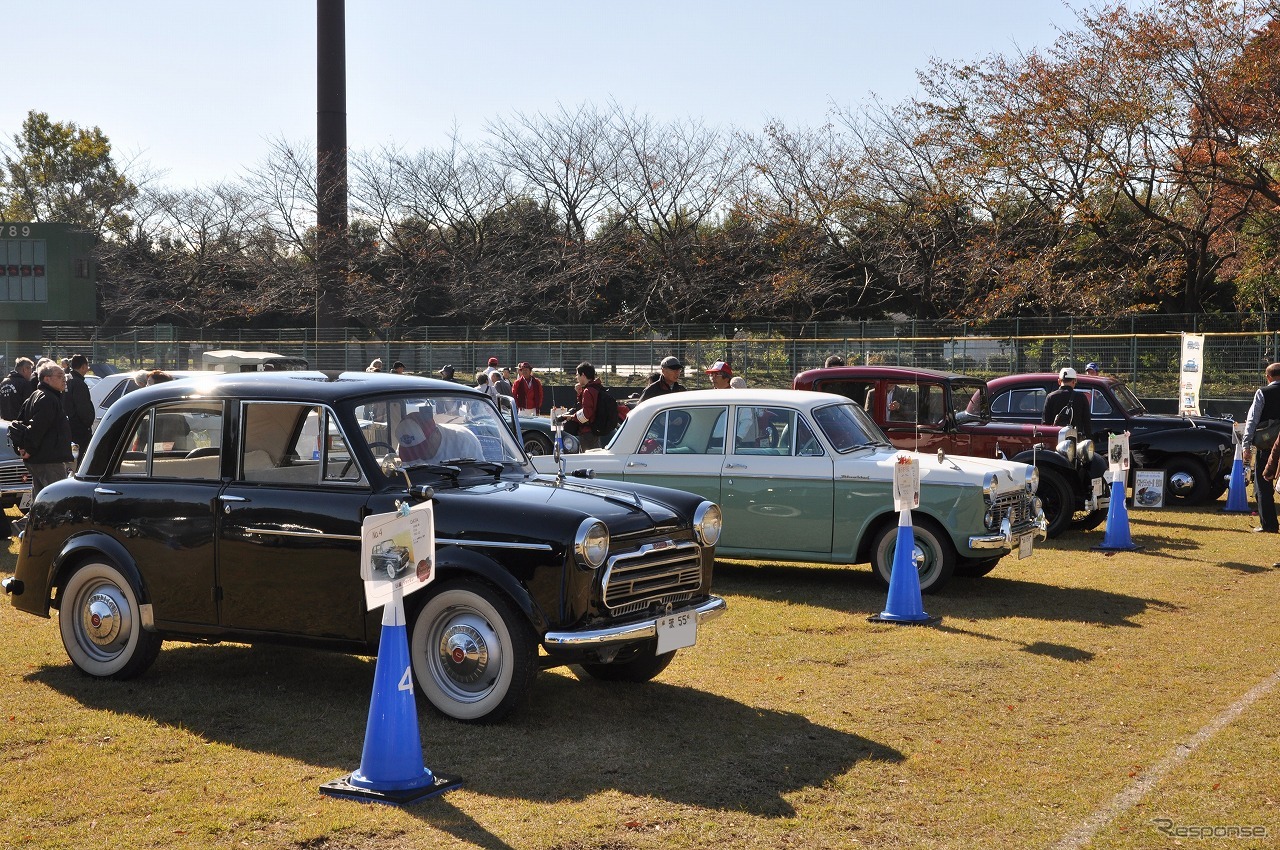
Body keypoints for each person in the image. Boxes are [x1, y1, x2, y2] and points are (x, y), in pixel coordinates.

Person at [11, 362, 74, 536]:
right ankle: (56, 534)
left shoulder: (37, 395)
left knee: (41, 500)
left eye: (64, 376)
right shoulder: (47, 398)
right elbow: (36, 427)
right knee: (58, 499)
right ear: (46, 378)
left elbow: (20, 423)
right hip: (48, 459)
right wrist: (26, 448)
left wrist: (23, 448)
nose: (64, 380)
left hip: (40, 458)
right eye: (60, 377)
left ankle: (30, 528)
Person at [1242, 362, 1280, 533]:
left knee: (1263, 486)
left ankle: (1269, 524)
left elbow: (1252, 421)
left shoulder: (1263, 393)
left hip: (1268, 447)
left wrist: (1246, 445)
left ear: (1268, 377)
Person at [394, 407, 483, 464]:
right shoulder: (406, 444)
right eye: (413, 451)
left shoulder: (463, 441)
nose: (420, 455)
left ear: (435, 433)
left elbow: (480, 477)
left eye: (422, 448)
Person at [561, 362, 608, 450]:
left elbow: (586, 414)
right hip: (596, 430)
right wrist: (580, 393)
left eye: (577, 374)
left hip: (588, 432)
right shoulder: (596, 387)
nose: (576, 377)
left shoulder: (588, 391)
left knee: (588, 461)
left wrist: (571, 417)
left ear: (583, 375)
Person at [63, 354, 94, 471]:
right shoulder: (79, 383)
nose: (88, 368)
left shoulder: (67, 381)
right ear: (83, 366)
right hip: (80, 428)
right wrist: (88, 422)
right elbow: (83, 408)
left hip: (69, 425)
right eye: (87, 366)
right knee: (82, 460)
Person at [1041, 367, 1092, 435]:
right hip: (1075, 440)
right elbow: (1087, 423)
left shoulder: (1051, 397)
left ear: (1059, 381)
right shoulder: (1081, 397)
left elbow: (1045, 423)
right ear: (1074, 381)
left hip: (1056, 439)